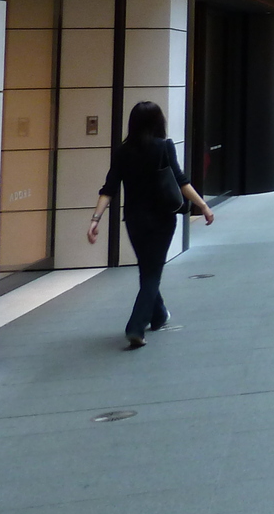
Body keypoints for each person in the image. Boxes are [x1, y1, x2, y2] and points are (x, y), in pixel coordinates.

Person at [87, 101, 214, 348]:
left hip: (134, 220)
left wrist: (95, 219)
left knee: (147, 270)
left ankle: (158, 315)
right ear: (159, 122)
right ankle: (135, 327)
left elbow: (109, 188)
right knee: (152, 273)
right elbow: (181, 180)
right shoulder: (164, 147)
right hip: (162, 219)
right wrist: (204, 206)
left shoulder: (122, 151)